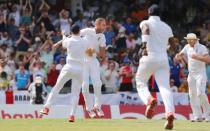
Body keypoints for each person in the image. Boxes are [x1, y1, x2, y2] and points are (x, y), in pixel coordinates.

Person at [135, 4, 175, 129]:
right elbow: (173, 45)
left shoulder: (145, 22)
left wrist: (143, 46)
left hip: (149, 56)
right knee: (165, 87)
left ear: (148, 12)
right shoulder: (167, 27)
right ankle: (169, 112)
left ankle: (149, 99)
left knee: (140, 81)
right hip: (163, 59)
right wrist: (165, 48)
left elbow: (146, 29)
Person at [40, 25, 88, 122]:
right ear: (79, 31)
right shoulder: (84, 41)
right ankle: (71, 115)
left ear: (72, 32)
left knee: (57, 87)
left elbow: (64, 43)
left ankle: (47, 107)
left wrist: (63, 35)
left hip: (69, 67)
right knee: (75, 94)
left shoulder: (69, 40)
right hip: (80, 69)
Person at [175, 33, 210, 122]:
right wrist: (178, 56)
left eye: (190, 40)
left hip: (200, 74)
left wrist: (197, 57)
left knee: (200, 93)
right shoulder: (187, 47)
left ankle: (208, 115)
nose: (188, 41)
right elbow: (180, 54)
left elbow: (208, 59)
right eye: (187, 40)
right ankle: (197, 116)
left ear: (194, 40)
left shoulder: (202, 47)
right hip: (191, 74)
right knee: (192, 95)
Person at [81, 18, 106, 118]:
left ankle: (98, 107)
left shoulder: (102, 36)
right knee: (85, 84)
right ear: (97, 24)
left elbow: (102, 56)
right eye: (103, 25)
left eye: (105, 25)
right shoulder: (87, 31)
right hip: (83, 61)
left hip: (94, 61)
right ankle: (89, 109)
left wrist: (94, 51)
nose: (105, 27)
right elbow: (74, 36)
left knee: (97, 84)